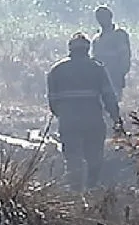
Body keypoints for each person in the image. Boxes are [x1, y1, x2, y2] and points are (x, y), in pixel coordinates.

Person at [47, 32, 122, 191]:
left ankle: (75, 192)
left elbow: (53, 102)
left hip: (69, 120)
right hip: (93, 119)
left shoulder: (56, 70)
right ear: (87, 49)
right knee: (94, 157)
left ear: (70, 49)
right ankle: (91, 188)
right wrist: (116, 118)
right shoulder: (96, 68)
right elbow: (109, 97)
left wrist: (64, 115)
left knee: (72, 157)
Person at [90, 5, 131, 100]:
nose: (101, 20)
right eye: (99, 17)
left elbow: (125, 55)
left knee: (115, 101)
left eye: (103, 16)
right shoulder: (96, 38)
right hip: (99, 78)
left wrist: (121, 73)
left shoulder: (119, 34)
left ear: (110, 16)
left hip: (114, 75)